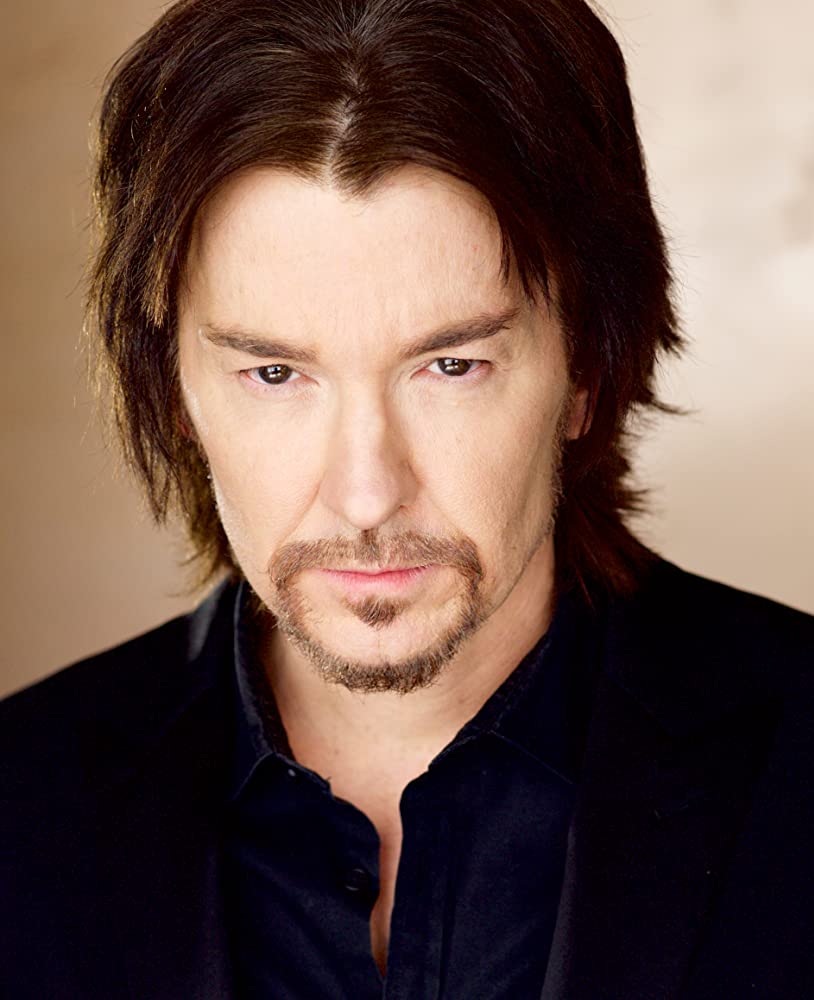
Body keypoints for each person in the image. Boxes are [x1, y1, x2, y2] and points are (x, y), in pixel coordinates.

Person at [2, 0, 812, 997]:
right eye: (274, 374)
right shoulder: (19, 807)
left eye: (451, 366)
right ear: (175, 390)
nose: (365, 496)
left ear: (586, 368)